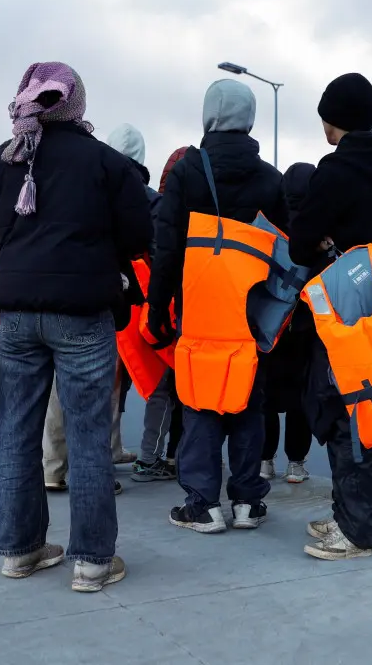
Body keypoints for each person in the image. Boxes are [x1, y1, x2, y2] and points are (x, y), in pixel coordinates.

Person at [0, 61, 151, 592]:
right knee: (89, 437)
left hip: (16, 314)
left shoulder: (0, 161)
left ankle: (20, 551)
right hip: (85, 312)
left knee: (18, 432)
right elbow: (138, 236)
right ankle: (92, 561)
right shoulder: (108, 164)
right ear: (77, 103)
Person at [149, 79, 288, 534]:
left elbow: (167, 247)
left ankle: (203, 504)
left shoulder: (189, 170)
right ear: (249, 118)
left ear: (209, 115)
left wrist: (158, 309)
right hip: (252, 309)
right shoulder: (270, 177)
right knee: (248, 398)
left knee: (201, 401)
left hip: (202, 307)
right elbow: (286, 251)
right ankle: (248, 501)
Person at [289, 72, 372, 560]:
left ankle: (357, 529)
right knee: (363, 408)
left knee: (343, 414)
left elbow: (300, 242)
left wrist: (320, 239)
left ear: (331, 118)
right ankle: (348, 513)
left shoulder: (336, 171)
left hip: (340, 310)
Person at [43, 124, 153, 487]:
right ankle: (98, 467)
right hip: (109, 295)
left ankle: (53, 468)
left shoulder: (78, 179)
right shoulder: (134, 188)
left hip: (60, 289)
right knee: (102, 386)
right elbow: (138, 241)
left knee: (62, 386)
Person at [132, 145, 190, 483]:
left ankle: (156, 456)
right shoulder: (177, 208)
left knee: (158, 384)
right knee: (168, 387)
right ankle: (152, 457)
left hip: (138, 306)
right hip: (167, 307)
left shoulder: (154, 203)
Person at [260, 162, 315, 485]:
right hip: (304, 325)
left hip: (272, 322)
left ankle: (265, 460)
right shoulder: (315, 228)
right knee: (300, 398)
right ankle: (296, 463)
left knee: (266, 394)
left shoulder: (271, 227)